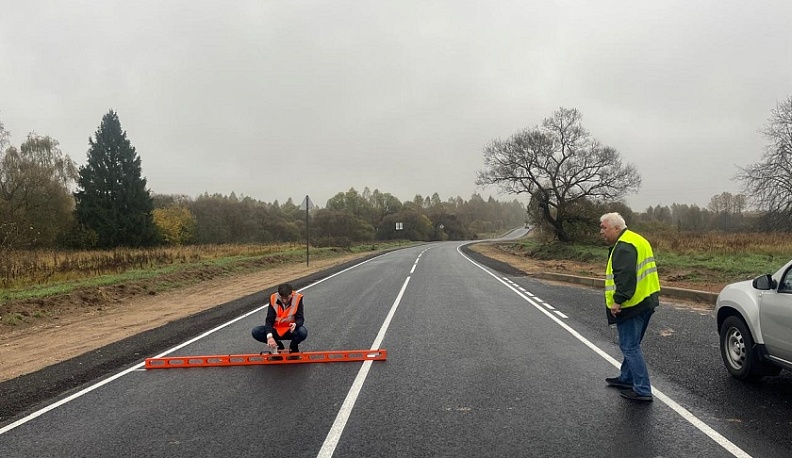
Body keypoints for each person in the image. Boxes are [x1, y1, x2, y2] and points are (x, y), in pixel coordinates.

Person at [599, 212, 661, 402]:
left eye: (604, 227)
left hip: (631, 305)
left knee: (629, 346)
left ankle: (642, 389)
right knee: (632, 345)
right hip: (646, 299)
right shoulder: (636, 239)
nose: (601, 231)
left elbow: (625, 278)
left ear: (616, 228)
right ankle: (626, 378)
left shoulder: (624, 246)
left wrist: (618, 301)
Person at [252, 283, 308, 356]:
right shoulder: (273, 298)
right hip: (276, 330)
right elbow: (269, 320)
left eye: (287, 298)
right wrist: (270, 337)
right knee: (256, 331)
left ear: (291, 294)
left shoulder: (297, 298)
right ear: (279, 295)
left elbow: (300, 318)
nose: (284, 300)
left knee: (302, 332)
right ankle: (278, 346)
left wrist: (296, 324)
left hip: (290, 330)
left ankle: (293, 347)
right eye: (282, 298)